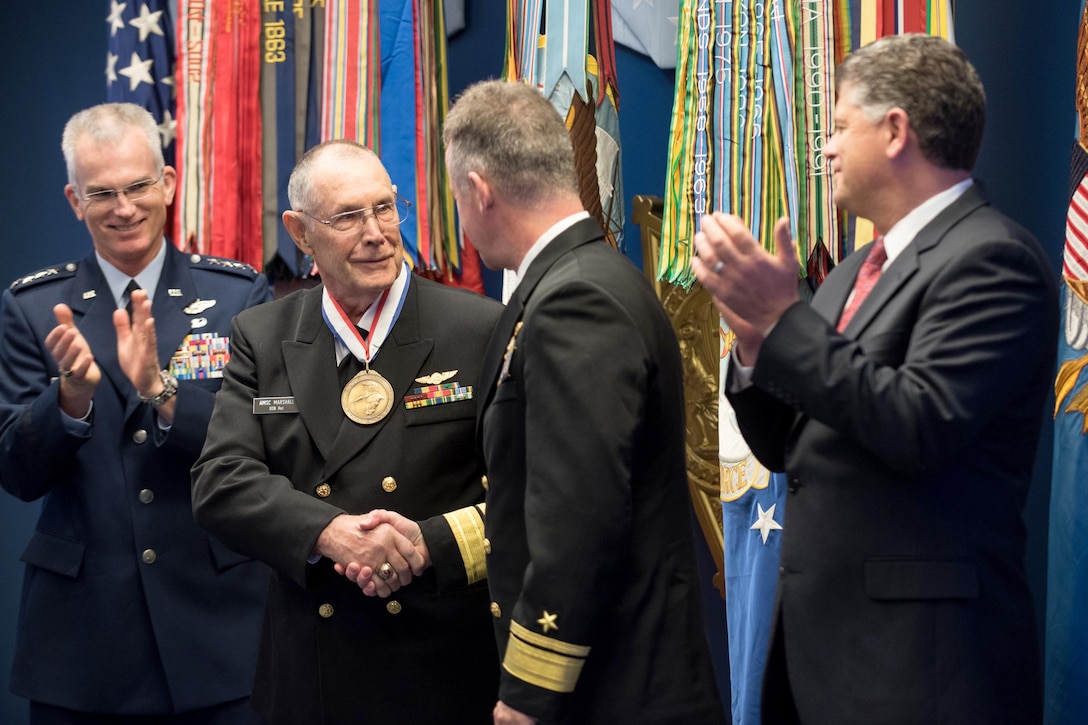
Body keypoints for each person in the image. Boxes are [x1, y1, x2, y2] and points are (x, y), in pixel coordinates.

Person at [693, 34, 1057, 723]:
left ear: (895, 131)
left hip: (921, 672)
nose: (825, 148)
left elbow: (918, 424)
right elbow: (788, 450)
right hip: (820, 660)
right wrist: (753, 344)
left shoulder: (994, 261)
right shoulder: (849, 277)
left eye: (836, 126)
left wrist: (783, 322)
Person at [441, 79, 726, 725]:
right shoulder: (584, 277)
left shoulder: (575, 300)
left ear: (480, 190)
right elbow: (533, 495)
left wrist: (530, 687)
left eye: (457, 197)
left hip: (611, 690)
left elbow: (579, 511)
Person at [190, 139, 503, 725]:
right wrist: (330, 531)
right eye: (348, 216)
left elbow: (527, 489)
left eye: (385, 208)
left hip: (447, 661)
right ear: (301, 233)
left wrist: (421, 546)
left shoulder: (478, 326)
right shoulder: (262, 334)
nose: (377, 232)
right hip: (316, 669)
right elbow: (221, 482)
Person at [0, 102, 271, 723]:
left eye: (138, 186)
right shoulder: (33, 309)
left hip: (217, 627)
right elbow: (15, 473)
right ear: (74, 200)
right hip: (84, 641)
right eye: (102, 193)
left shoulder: (237, 294)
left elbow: (261, 441)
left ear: (168, 184)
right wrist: (66, 401)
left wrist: (162, 389)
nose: (123, 208)